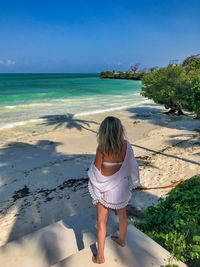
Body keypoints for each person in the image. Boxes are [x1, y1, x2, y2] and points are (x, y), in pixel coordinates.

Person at [88, 116, 140, 264]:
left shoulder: (101, 148)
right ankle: (122, 240)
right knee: (122, 215)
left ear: (103, 132)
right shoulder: (126, 146)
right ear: (120, 130)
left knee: (101, 220)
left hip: (106, 190)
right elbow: (131, 165)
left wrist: (94, 179)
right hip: (121, 188)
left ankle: (100, 256)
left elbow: (96, 172)